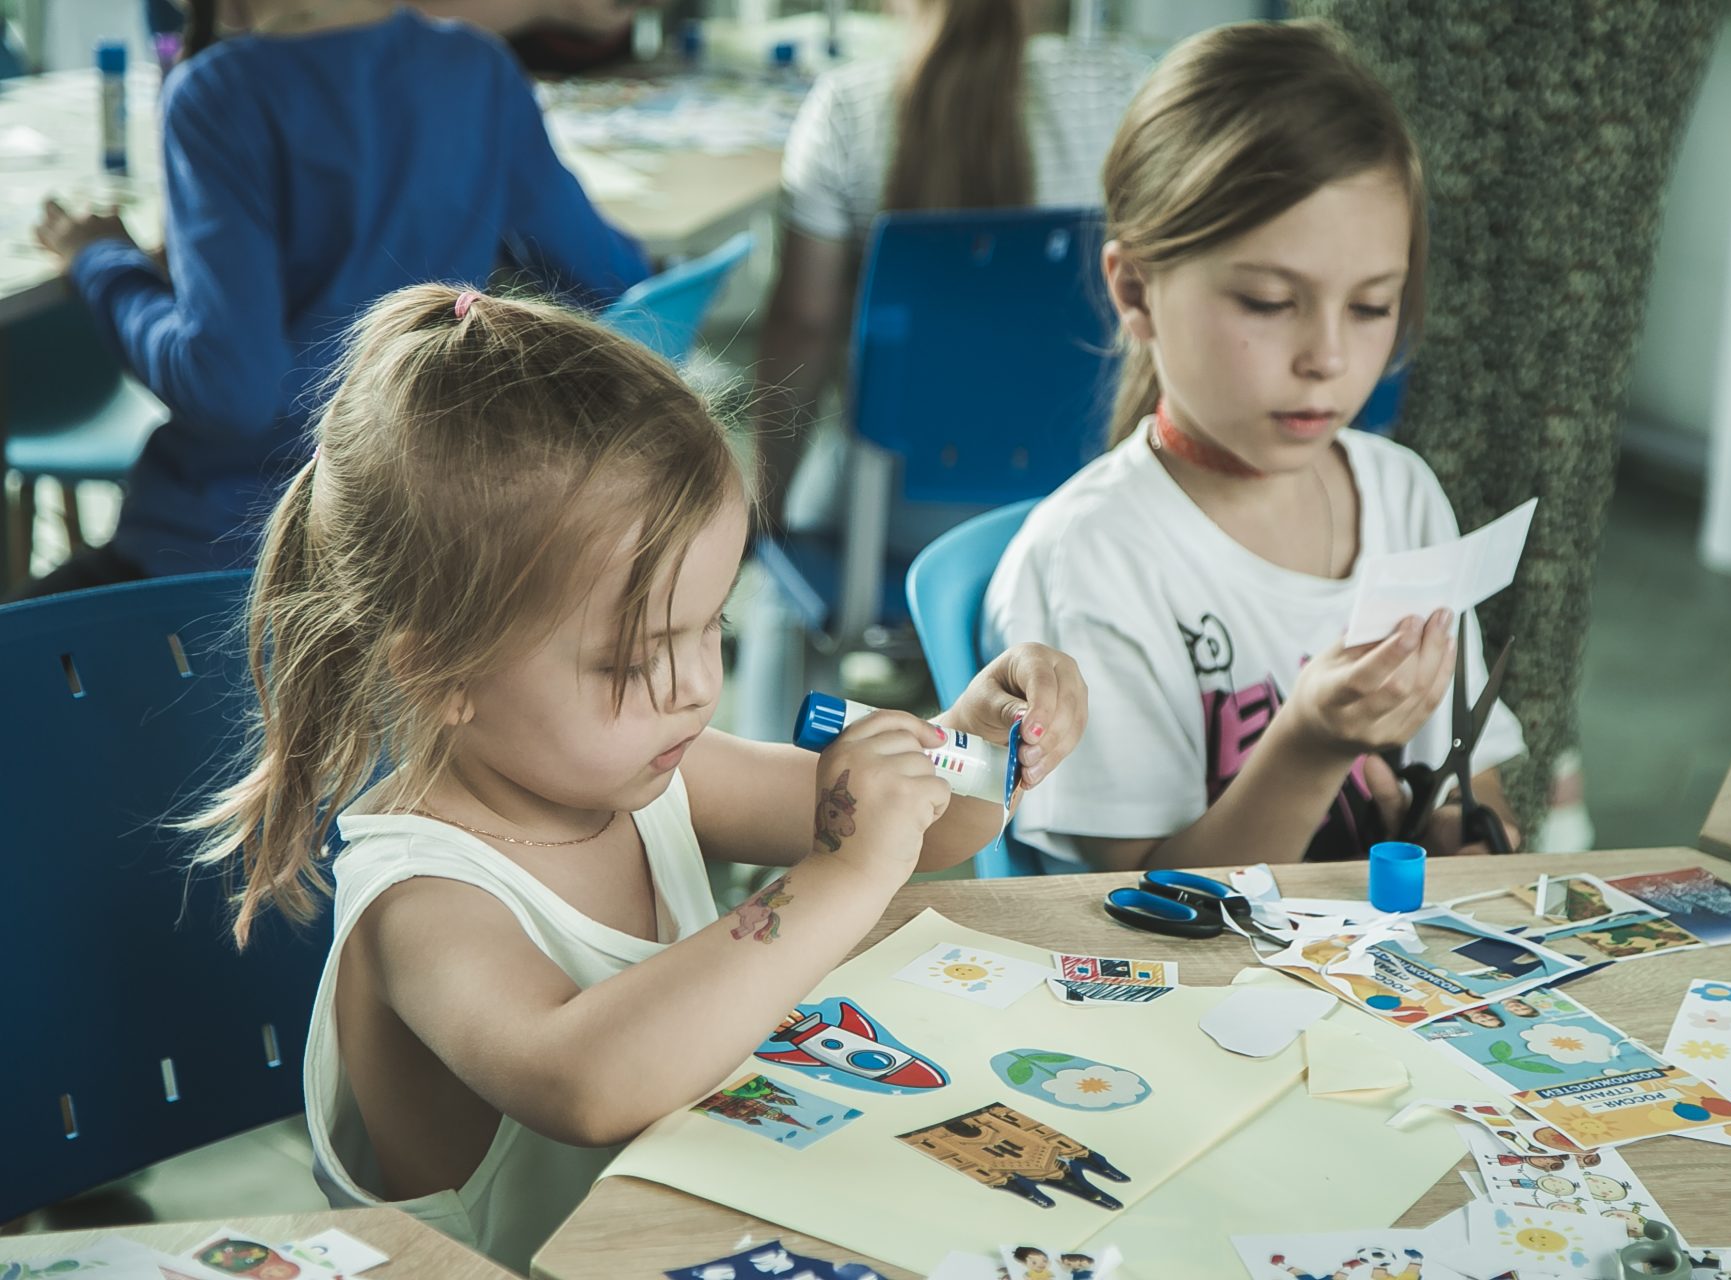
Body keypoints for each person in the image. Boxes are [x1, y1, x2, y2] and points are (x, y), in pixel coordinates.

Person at [188, 285, 1087, 1270]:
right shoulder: (422, 897)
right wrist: (839, 874)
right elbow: (586, 1081)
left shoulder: (652, 773)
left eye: (712, 626)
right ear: (442, 673)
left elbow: (929, 826)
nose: (698, 684)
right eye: (634, 660)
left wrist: (979, 740)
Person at [983, 19, 1525, 873]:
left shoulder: (1402, 496)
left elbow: (1471, 771)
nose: (1328, 358)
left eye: (1372, 306)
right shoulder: (1091, 560)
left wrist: (1464, 829)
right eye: (1271, 302)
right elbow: (1136, 905)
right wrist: (1310, 745)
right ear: (1137, 292)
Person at [20, 0, 648, 601]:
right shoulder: (477, 67)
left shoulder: (221, 91)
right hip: (429, 552)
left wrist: (102, 263)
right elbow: (612, 278)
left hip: (235, 564)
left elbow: (232, 390)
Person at [751, 0, 1149, 532]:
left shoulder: (844, 111)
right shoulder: (1119, 92)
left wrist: (768, 504)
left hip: (882, 514)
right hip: (1069, 509)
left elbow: (804, 325)